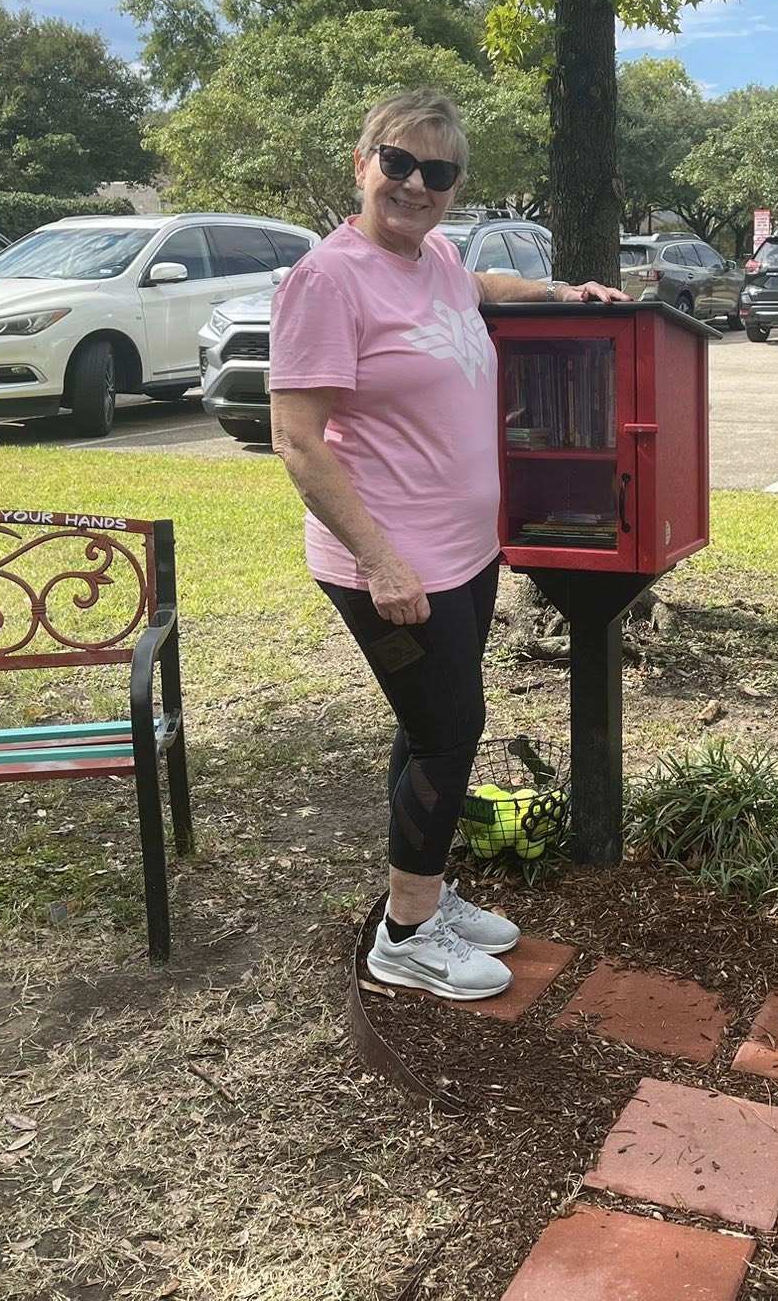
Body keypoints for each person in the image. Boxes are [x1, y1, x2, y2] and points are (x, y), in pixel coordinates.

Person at [268, 89, 626, 1001]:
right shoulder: (327, 278)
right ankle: (407, 936)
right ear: (363, 163)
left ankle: (419, 893)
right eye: (398, 162)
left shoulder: (434, 260)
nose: (416, 185)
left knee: (427, 725)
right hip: (389, 562)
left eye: (438, 172)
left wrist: (559, 291)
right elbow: (298, 440)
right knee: (450, 727)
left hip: (465, 551)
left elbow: (485, 290)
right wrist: (381, 561)